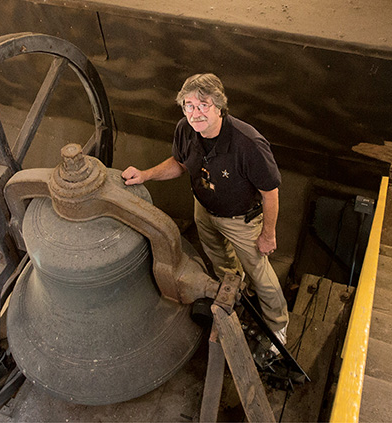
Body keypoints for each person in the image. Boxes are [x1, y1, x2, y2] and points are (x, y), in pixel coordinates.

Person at [122, 73, 289, 347]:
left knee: (261, 273)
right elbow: (180, 163)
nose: (195, 113)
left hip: (240, 219)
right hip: (204, 207)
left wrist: (268, 234)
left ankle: (278, 326)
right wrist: (145, 175)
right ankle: (234, 287)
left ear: (220, 107)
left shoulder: (249, 144)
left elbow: (270, 193)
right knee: (218, 257)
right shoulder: (185, 129)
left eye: (203, 105)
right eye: (189, 105)